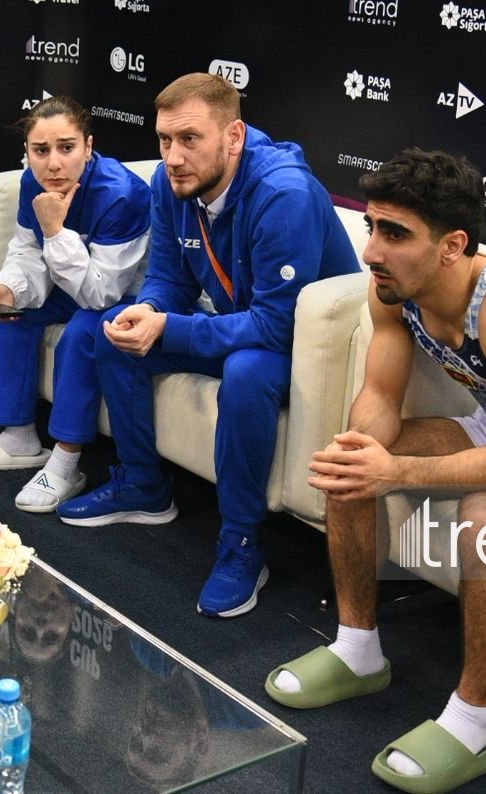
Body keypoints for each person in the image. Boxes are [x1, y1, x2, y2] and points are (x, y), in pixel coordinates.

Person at [264, 148, 486, 793]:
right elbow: (379, 395)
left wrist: (395, 468)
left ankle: (473, 721)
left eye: (395, 234)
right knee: (353, 461)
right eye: (372, 227)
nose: (372, 251)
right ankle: (358, 649)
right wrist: (369, 458)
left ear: (453, 245)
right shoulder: (393, 290)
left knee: (483, 520)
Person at [56, 72, 359, 618]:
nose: (173, 156)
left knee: (245, 372)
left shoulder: (282, 194)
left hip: (313, 352)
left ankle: (242, 543)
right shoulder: (170, 183)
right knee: (115, 335)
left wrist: (170, 328)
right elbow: (171, 280)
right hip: (252, 324)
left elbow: (277, 326)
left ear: (234, 136)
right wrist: (148, 311)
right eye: (165, 140)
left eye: (189, 139)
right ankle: (144, 486)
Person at [0, 96, 151, 512]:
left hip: (129, 296)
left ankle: (66, 461)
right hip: (76, 283)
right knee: (11, 314)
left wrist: (55, 230)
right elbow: (27, 252)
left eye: (67, 147)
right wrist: (10, 288)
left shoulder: (122, 194)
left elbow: (101, 294)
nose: (53, 163)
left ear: (89, 146)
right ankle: (19, 437)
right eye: (40, 151)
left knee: (83, 330)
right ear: (28, 152)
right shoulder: (32, 182)